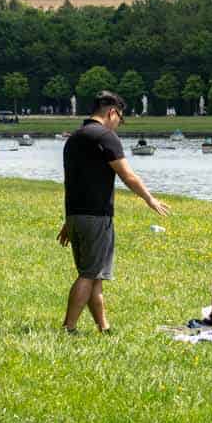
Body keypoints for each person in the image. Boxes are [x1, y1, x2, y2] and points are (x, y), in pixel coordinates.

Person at [59, 91, 169, 333]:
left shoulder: (74, 138)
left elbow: (72, 181)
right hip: (97, 217)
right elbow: (127, 175)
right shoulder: (106, 137)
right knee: (89, 275)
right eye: (120, 117)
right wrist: (149, 199)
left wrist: (69, 220)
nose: (119, 123)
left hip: (75, 215)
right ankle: (68, 327)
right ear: (112, 112)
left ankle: (103, 327)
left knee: (94, 274)